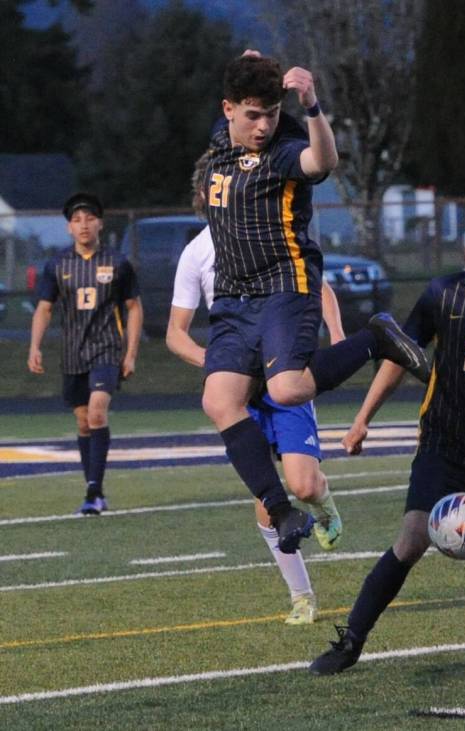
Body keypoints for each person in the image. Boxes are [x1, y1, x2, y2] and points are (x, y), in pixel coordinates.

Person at [309, 203, 465, 675]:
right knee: (411, 540)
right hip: (443, 444)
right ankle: (351, 640)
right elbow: (399, 356)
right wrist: (363, 419)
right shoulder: (445, 294)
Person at [200, 52, 429, 554]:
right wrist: (253, 59)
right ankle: (282, 514)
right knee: (219, 401)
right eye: (252, 115)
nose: (262, 126)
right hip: (235, 299)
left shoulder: (283, 151)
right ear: (228, 110)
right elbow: (244, 71)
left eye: (271, 115)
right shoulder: (220, 143)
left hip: (286, 283)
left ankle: (376, 337)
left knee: (287, 391)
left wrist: (310, 105)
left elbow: (322, 161)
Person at [165, 153, 344, 625]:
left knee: (304, 484)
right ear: (206, 195)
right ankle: (301, 596)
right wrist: (223, 366)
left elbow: (315, 284)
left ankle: (323, 507)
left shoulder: (265, 233)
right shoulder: (197, 253)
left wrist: (339, 337)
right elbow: (175, 334)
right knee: (268, 504)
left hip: (281, 372)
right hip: (244, 388)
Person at [27, 193, 144, 515]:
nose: (84, 225)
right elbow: (44, 309)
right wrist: (34, 346)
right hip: (72, 353)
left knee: (96, 412)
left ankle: (92, 493)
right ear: (69, 227)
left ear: (100, 224)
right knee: (82, 422)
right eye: (77, 220)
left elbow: (134, 308)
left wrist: (130, 353)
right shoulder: (57, 264)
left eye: (90, 218)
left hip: (106, 350)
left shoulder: (118, 263)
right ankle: (96, 488)